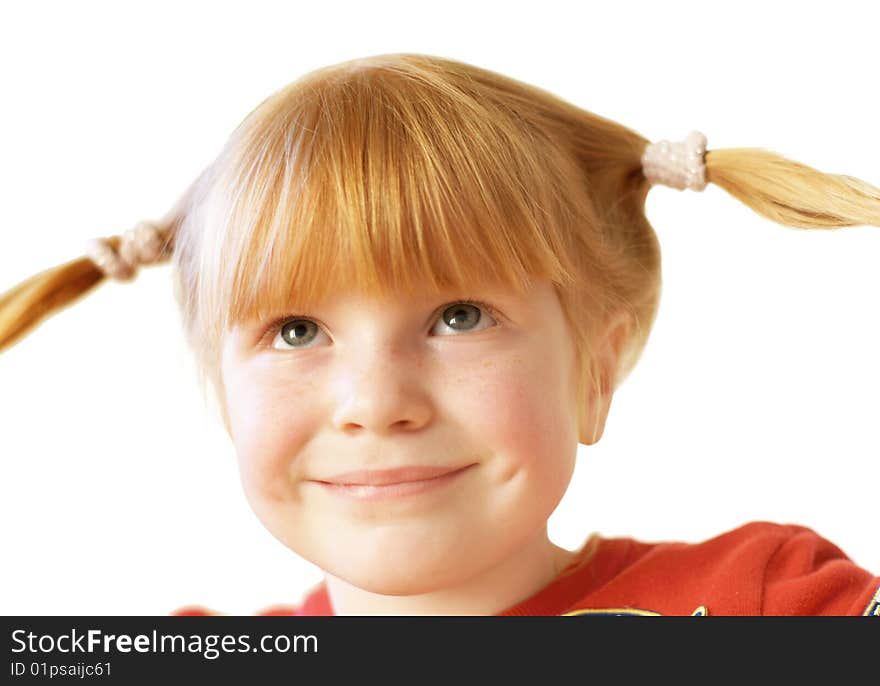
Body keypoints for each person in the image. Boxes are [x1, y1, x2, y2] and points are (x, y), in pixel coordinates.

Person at [1, 53, 877, 616]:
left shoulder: (769, 604)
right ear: (225, 396)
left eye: (459, 317)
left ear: (597, 369)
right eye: (297, 330)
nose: (376, 404)